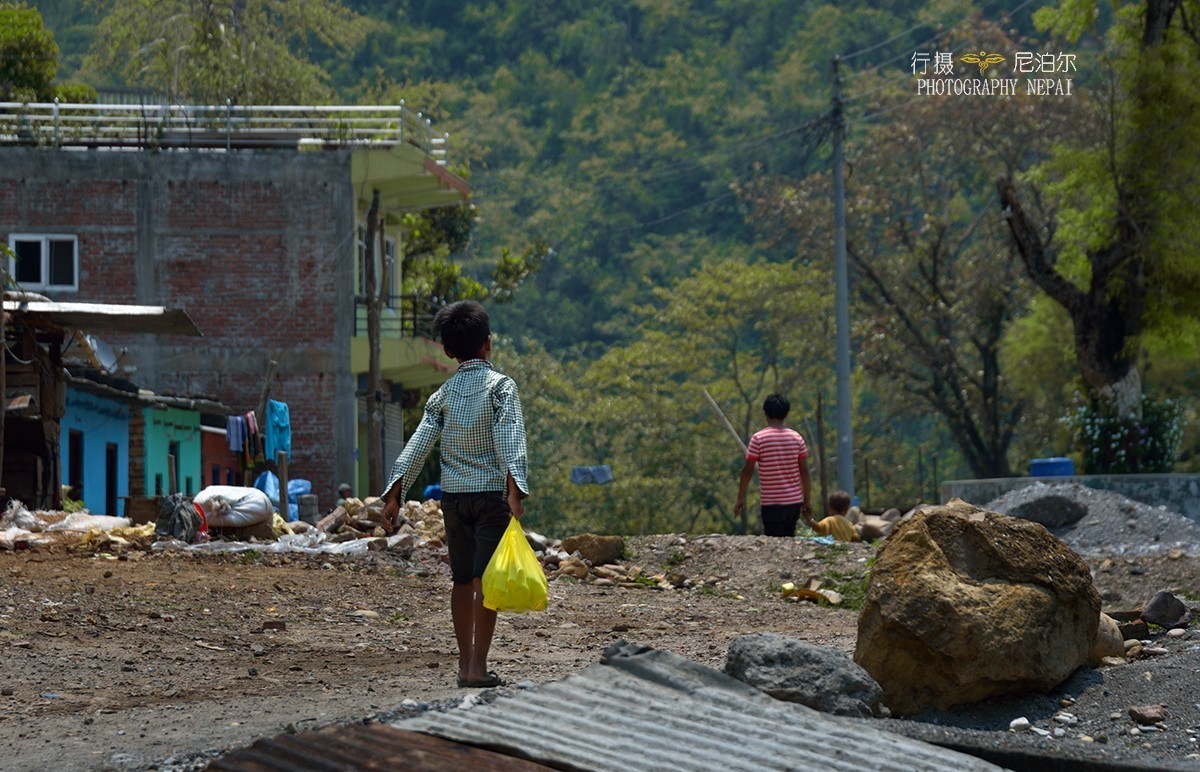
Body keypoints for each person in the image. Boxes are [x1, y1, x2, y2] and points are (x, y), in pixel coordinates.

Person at [379, 300, 529, 689]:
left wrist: (395, 492)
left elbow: (418, 443)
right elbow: (510, 437)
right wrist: (516, 492)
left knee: (462, 582)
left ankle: (464, 666)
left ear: (447, 350)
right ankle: (479, 667)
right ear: (488, 344)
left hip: (454, 499)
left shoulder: (442, 395)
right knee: (486, 583)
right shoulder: (501, 388)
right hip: (490, 498)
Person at [734, 393, 813, 537]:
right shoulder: (797, 438)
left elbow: (747, 471)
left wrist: (740, 497)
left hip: (772, 503)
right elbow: (804, 472)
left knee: (774, 543)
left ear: (766, 413)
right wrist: (807, 500)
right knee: (789, 540)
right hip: (794, 502)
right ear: (786, 414)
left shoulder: (758, 439)